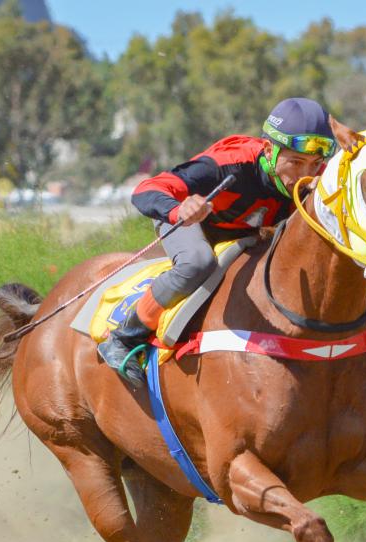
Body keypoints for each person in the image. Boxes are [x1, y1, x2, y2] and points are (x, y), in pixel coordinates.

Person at [98, 97, 337, 385]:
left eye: (315, 164)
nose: (305, 176)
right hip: (192, 221)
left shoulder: (317, 177)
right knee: (197, 263)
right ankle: (124, 337)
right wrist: (178, 210)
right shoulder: (231, 164)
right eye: (296, 162)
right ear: (269, 150)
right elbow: (147, 189)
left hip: (243, 231)